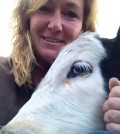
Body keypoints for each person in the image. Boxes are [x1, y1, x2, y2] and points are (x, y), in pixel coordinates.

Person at [0, 0, 120, 133]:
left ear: (83, 25)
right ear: (27, 18)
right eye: (44, 9)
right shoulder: (2, 75)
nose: (55, 25)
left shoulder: (103, 67)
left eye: (70, 14)